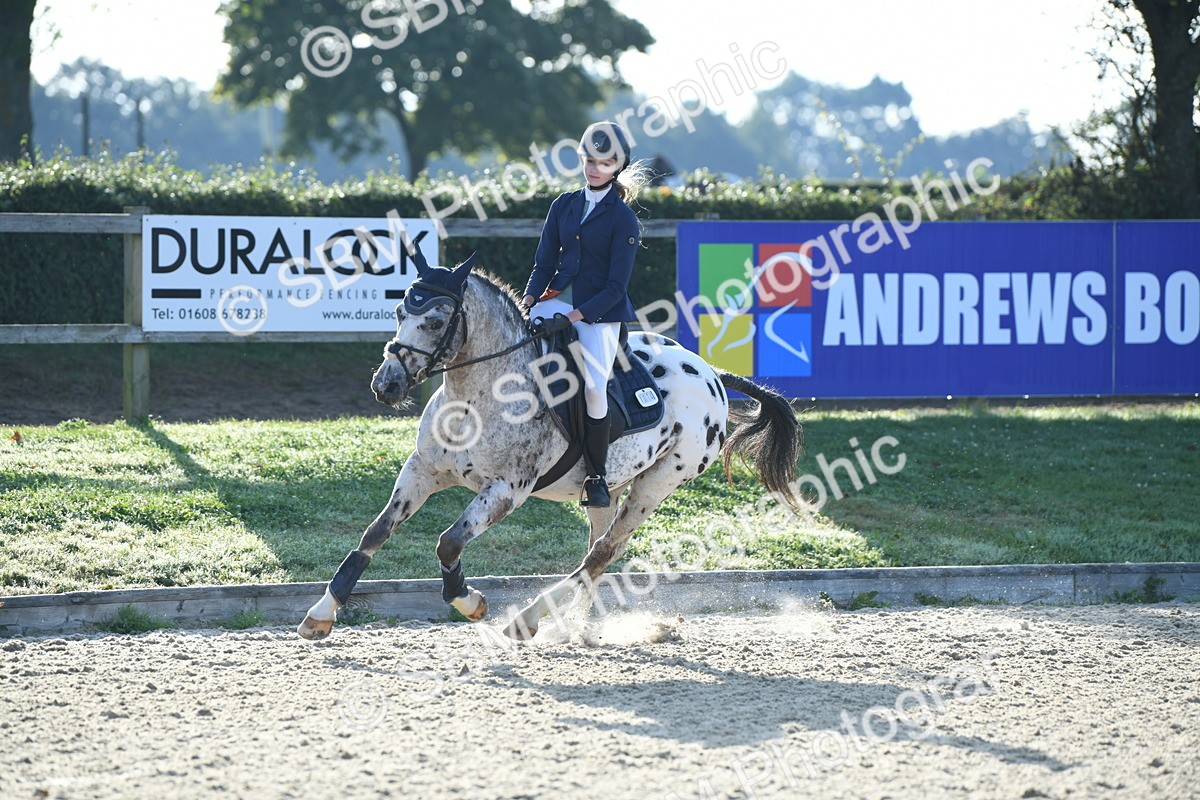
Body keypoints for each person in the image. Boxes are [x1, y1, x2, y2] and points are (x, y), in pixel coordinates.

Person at [521, 121, 648, 507]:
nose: (595, 169)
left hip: (600, 312)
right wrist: (528, 301)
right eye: (589, 160)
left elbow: (615, 288)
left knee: (594, 388)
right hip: (555, 297)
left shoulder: (623, 219)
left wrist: (573, 318)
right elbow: (543, 265)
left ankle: (596, 476)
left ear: (618, 166)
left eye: (605, 162)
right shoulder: (563, 205)